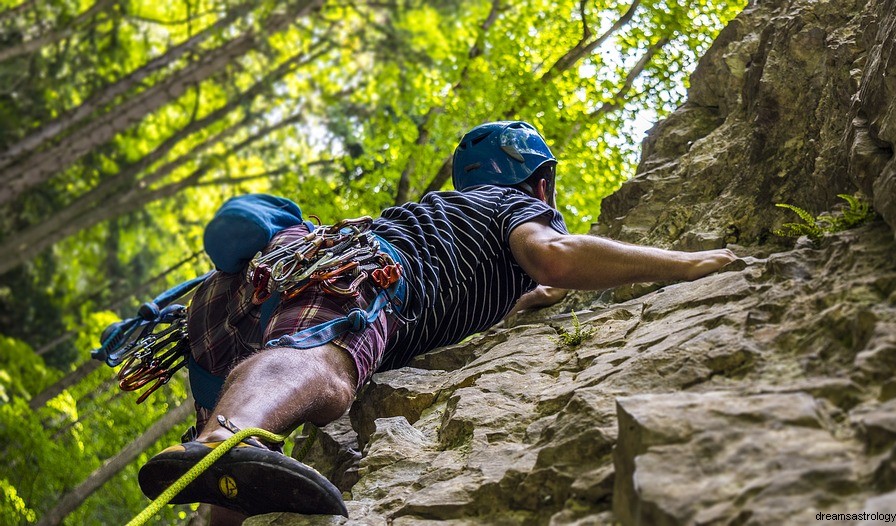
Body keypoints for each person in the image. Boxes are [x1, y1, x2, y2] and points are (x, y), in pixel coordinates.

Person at [136, 121, 737, 524]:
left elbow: (525, 288)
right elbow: (554, 256)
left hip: (231, 304)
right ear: (541, 183)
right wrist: (688, 263)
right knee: (328, 365)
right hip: (362, 272)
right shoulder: (515, 207)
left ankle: (219, 469)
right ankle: (222, 439)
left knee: (233, 471)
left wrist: (537, 296)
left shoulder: (448, 219)